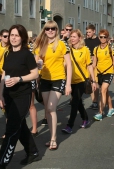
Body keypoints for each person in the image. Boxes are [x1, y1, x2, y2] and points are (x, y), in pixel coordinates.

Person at [0, 24, 40, 168]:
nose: (14, 38)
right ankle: (33, 152)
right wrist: (1, 96)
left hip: (22, 95)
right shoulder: (7, 53)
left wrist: (19, 79)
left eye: (17, 35)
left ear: (22, 37)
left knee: (11, 129)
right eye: (12, 35)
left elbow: (35, 73)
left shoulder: (26, 54)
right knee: (20, 125)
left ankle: (1, 163)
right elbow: (4, 74)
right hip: (9, 95)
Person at [33, 20, 72, 150]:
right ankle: (51, 137)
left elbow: (69, 65)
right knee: (47, 110)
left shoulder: (62, 44)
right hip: (44, 80)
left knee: (51, 108)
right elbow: (37, 63)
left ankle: (54, 138)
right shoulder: (40, 45)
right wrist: (38, 66)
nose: (50, 31)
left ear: (56, 30)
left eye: (53, 29)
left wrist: (68, 84)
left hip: (58, 79)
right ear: (44, 30)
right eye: (47, 28)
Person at [61, 29, 96, 134]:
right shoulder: (67, 49)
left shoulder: (85, 50)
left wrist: (93, 80)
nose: (72, 39)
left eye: (74, 37)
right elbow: (64, 63)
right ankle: (85, 118)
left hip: (82, 80)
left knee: (75, 102)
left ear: (80, 38)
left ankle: (69, 125)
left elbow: (89, 66)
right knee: (78, 101)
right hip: (70, 80)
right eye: (71, 37)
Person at [93, 29, 114, 121]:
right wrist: (92, 75)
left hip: (109, 72)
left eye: (105, 37)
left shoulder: (112, 48)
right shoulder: (96, 49)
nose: (103, 39)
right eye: (101, 37)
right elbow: (94, 63)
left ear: (107, 38)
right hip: (99, 73)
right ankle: (111, 109)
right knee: (105, 91)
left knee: (102, 91)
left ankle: (100, 112)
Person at [84, 24, 101, 110]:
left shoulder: (98, 40)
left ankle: (96, 101)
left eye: (89, 32)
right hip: (87, 64)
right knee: (90, 82)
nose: (88, 34)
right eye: (87, 32)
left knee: (95, 82)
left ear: (94, 31)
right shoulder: (85, 41)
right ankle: (93, 101)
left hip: (97, 64)